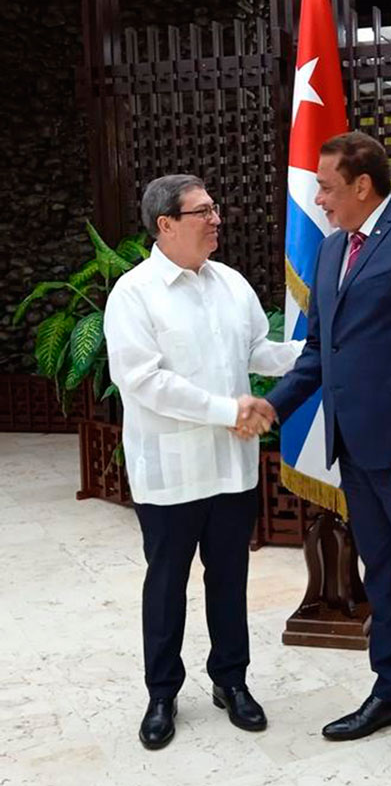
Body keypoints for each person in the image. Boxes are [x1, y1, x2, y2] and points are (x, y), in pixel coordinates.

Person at [265, 132, 391, 783]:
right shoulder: (330, 252)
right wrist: (272, 405)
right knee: (380, 576)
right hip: (354, 446)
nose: (317, 199)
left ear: (361, 185)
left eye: (326, 186)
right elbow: (321, 352)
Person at [104, 174, 296, 750]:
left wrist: (314, 355)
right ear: (166, 224)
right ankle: (162, 693)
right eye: (203, 212)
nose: (216, 220)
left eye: (215, 209)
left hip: (231, 467)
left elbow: (257, 351)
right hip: (170, 471)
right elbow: (142, 381)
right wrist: (225, 408)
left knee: (230, 579)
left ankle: (231, 682)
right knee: (166, 585)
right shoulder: (133, 294)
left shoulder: (230, 283)